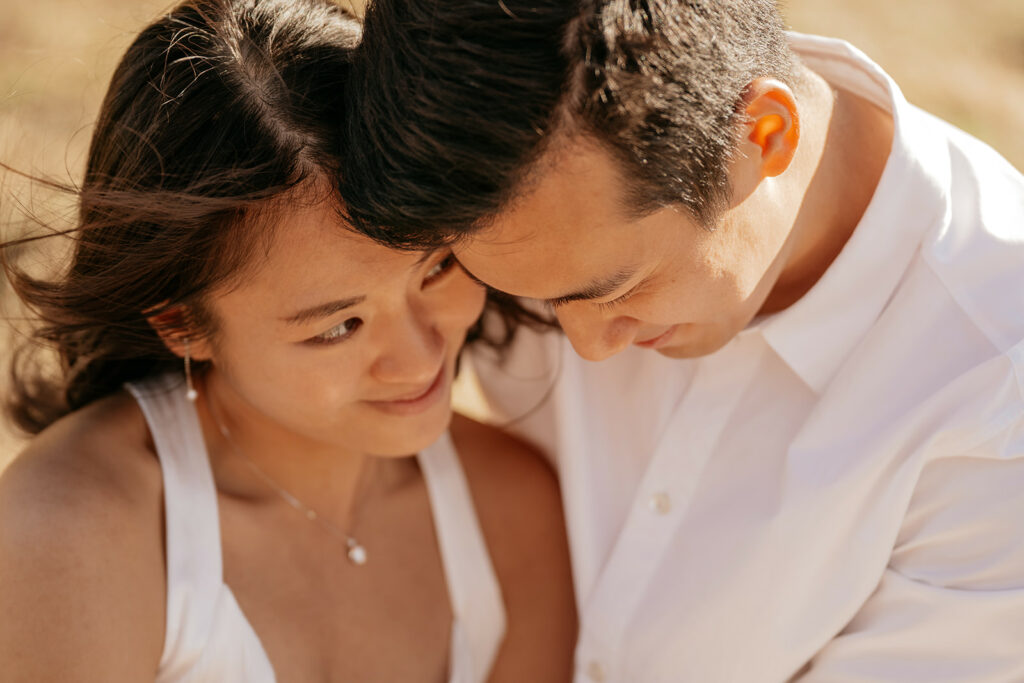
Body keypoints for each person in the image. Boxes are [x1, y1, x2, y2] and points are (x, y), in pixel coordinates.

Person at [338, 0, 1024, 680]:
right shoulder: (501, 169)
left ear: (763, 137)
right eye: (534, 298)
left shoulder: (994, 391)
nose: (585, 348)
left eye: (616, 289)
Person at [0, 0, 576, 680]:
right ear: (181, 322)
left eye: (438, 267)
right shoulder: (72, 530)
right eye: (337, 326)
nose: (421, 358)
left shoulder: (513, 507)